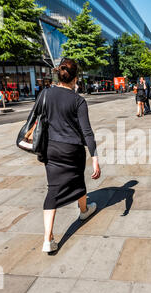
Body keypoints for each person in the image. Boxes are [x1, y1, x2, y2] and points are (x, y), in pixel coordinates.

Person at [41, 58, 101, 253]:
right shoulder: (78, 100)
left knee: (53, 190)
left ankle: (47, 238)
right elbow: (87, 131)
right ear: (75, 79)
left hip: (51, 148)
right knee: (77, 179)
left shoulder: (46, 94)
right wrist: (95, 157)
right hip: (72, 149)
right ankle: (84, 211)